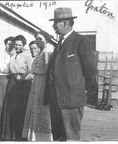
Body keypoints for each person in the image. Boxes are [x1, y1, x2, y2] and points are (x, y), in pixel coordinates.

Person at [45, 7, 97, 141]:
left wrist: (86, 90)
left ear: (64, 23)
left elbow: (90, 69)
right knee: (58, 136)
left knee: (71, 137)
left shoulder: (80, 41)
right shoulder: (60, 43)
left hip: (71, 99)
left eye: (55, 23)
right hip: (57, 100)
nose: (53, 26)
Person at [0, 35, 33, 141]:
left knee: (19, 108)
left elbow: (32, 71)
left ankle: (19, 136)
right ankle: (9, 135)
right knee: (9, 107)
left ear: (23, 45)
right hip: (12, 81)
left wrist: (23, 78)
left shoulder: (27, 55)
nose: (18, 46)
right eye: (16, 45)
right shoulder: (12, 54)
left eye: (20, 45)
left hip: (22, 83)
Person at [22, 40, 52, 141]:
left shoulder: (45, 55)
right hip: (36, 84)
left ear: (40, 48)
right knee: (34, 109)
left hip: (43, 84)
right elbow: (32, 73)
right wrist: (23, 78)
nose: (32, 50)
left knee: (42, 109)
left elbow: (48, 69)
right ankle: (34, 137)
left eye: (34, 48)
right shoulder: (37, 57)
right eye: (31, 49)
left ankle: (43, 137)